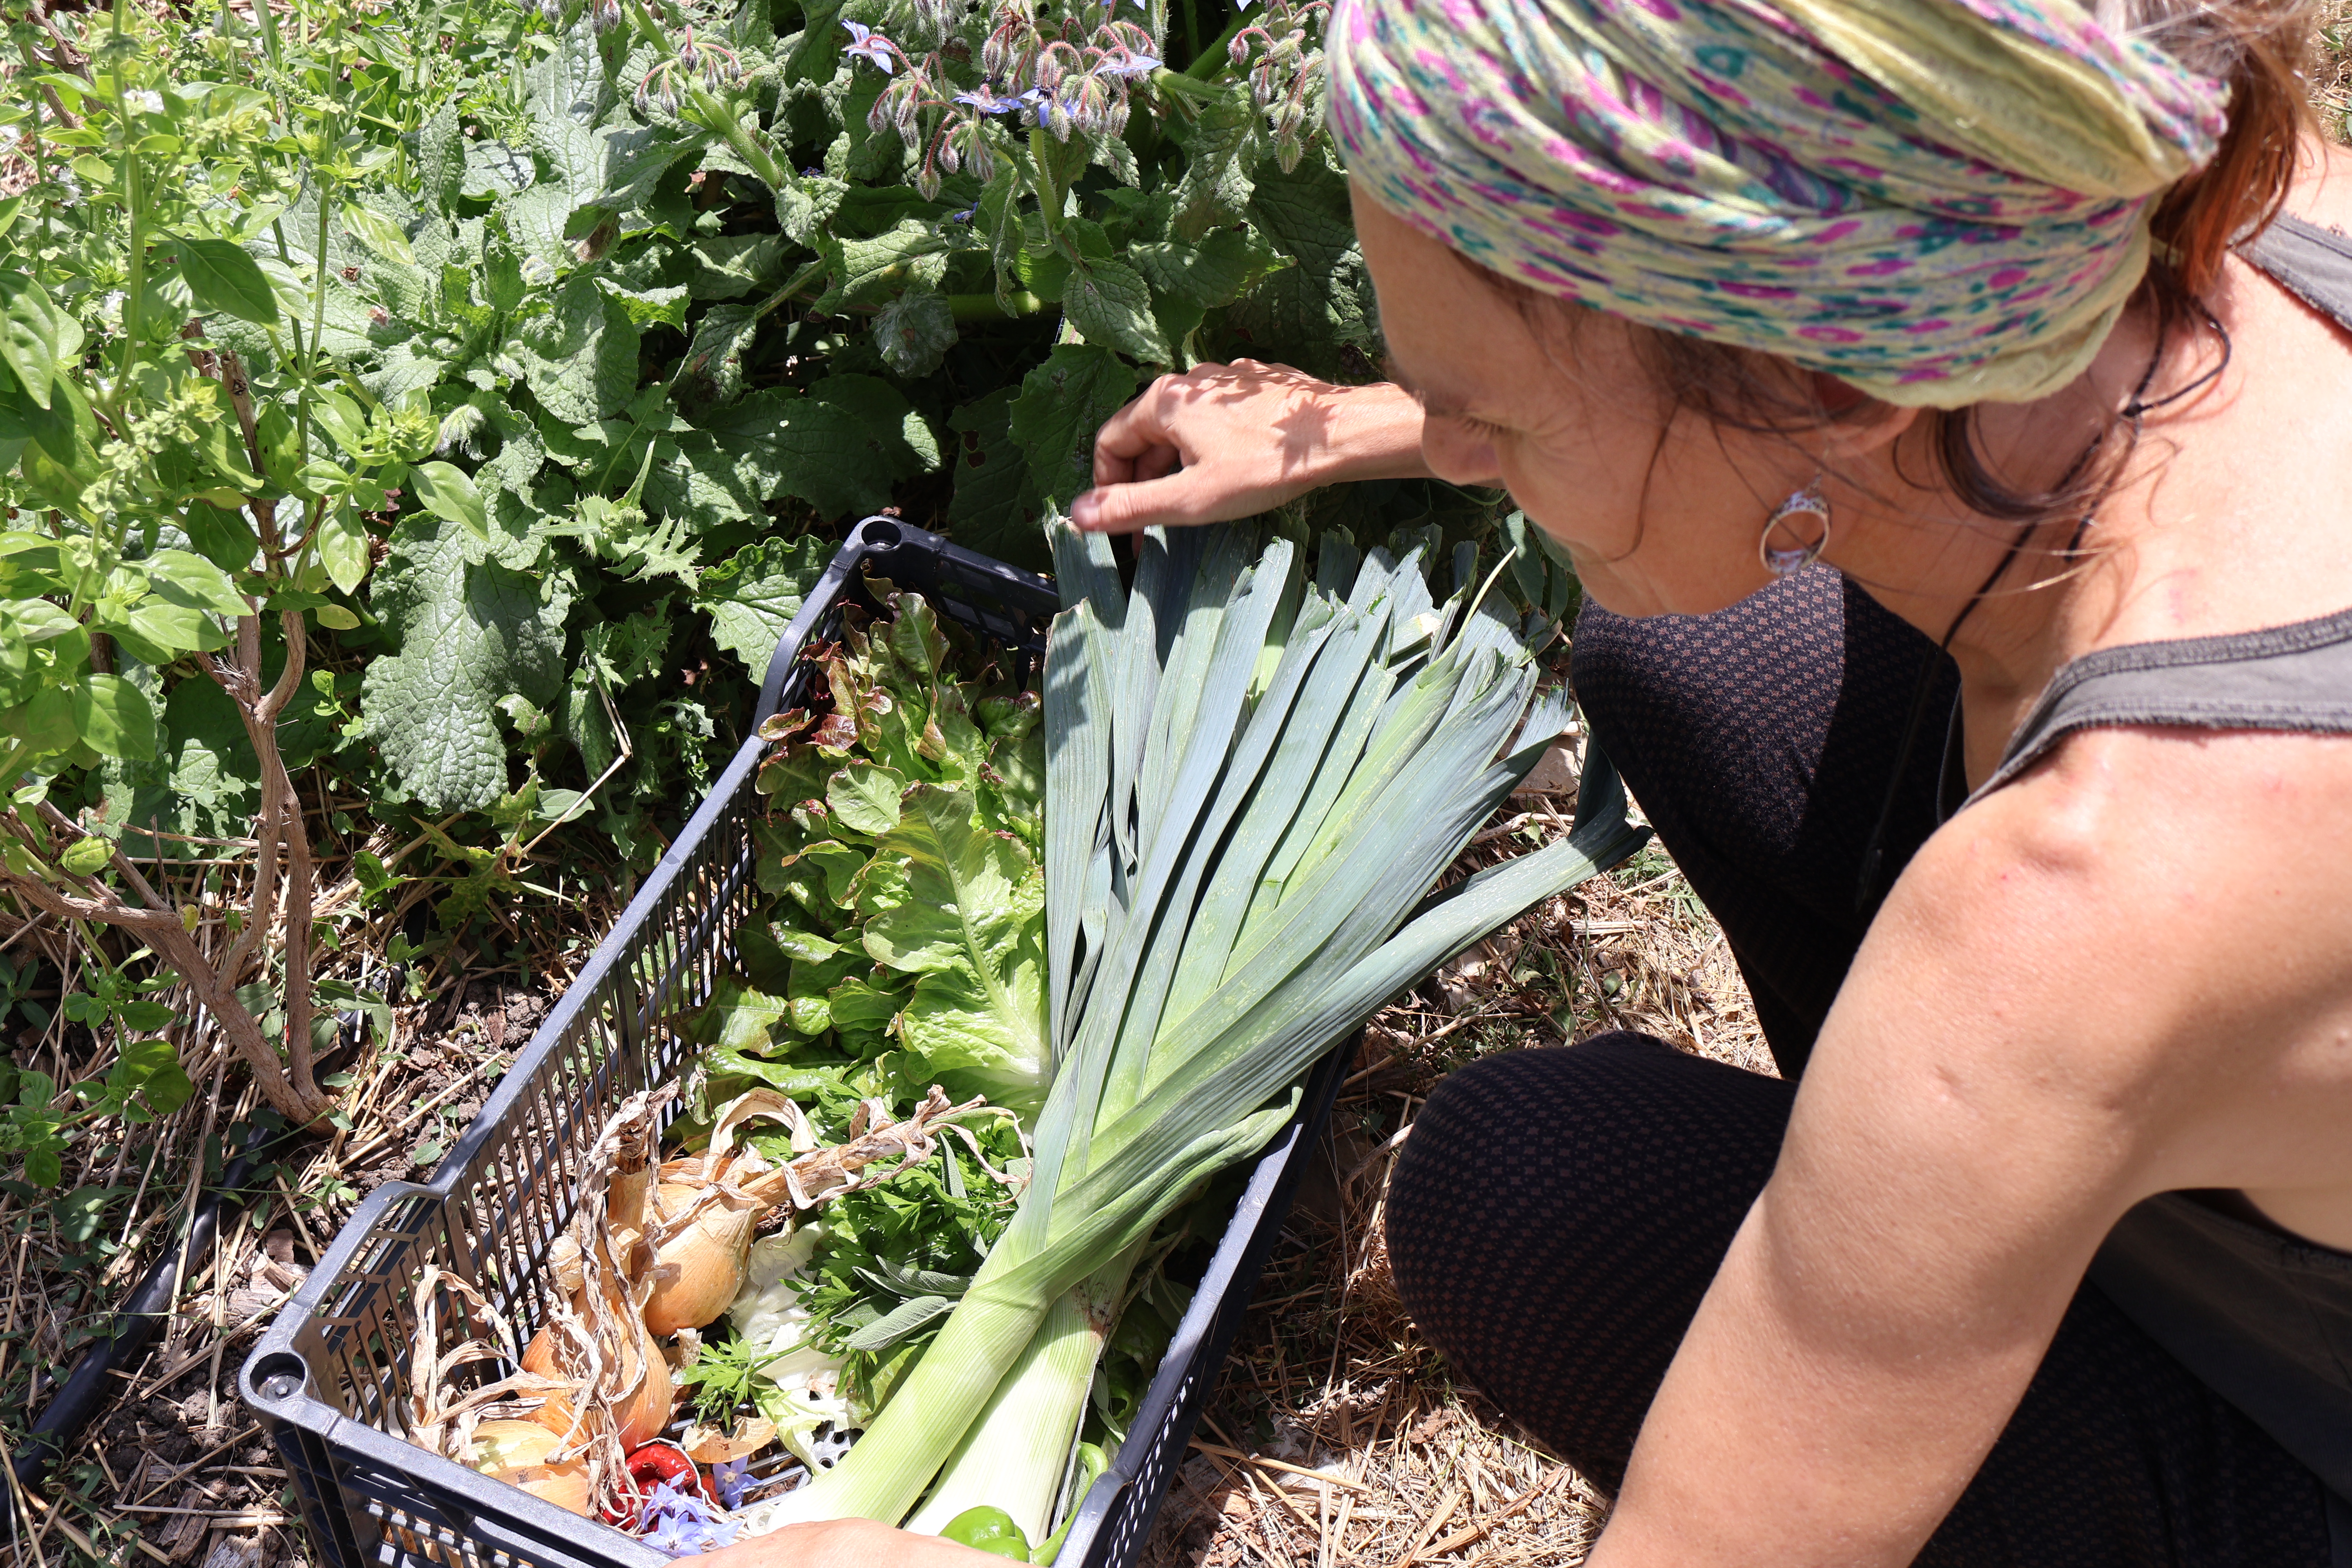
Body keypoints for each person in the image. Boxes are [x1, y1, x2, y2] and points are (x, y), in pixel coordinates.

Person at [699, 1, 2352, 1563]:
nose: (1455, 447)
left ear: (1820, 381)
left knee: (1529, 1203)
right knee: (1700, 664)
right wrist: (1363, 421)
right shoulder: (2148, 179)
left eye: (1486, 412)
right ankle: (1966, 1253)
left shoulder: (2087, 899)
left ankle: (1964, 1266)